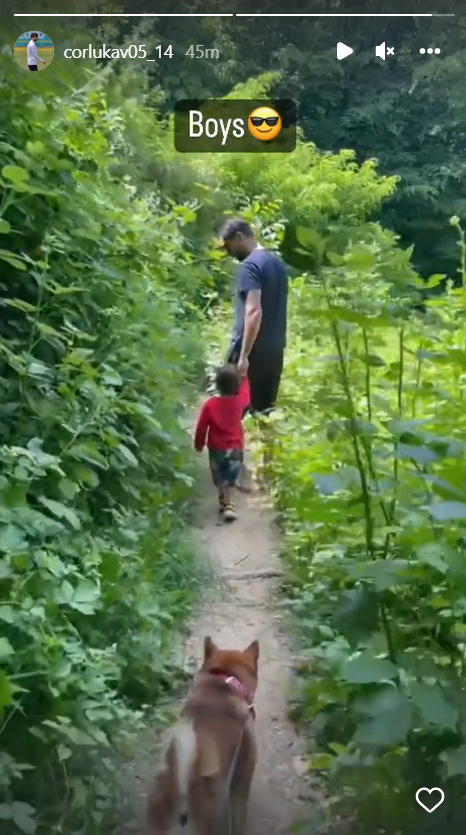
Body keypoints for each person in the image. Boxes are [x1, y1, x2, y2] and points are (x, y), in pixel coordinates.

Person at [220, 218, 288, 485]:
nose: (228, 251)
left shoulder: (250, 266)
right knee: (265, 411)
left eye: (229, 245)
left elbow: (253, 310)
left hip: (252, 351)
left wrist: (244, 355)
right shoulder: (276, 264)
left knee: (230, 410)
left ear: (240, 237)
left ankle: (234, 473)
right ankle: (268, 473)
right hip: (275, 350)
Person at [194, 364, 250, 522]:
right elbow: (246, 392)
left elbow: (201, 427)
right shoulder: (240, 401)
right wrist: (244, 376)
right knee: (231, 476)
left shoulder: (210, 405)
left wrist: (199, 444)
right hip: (235, 448)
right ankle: (228, 502)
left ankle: (225, 500)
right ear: (237, 385)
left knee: (219, 476)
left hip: (216, 449)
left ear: (217, 385)